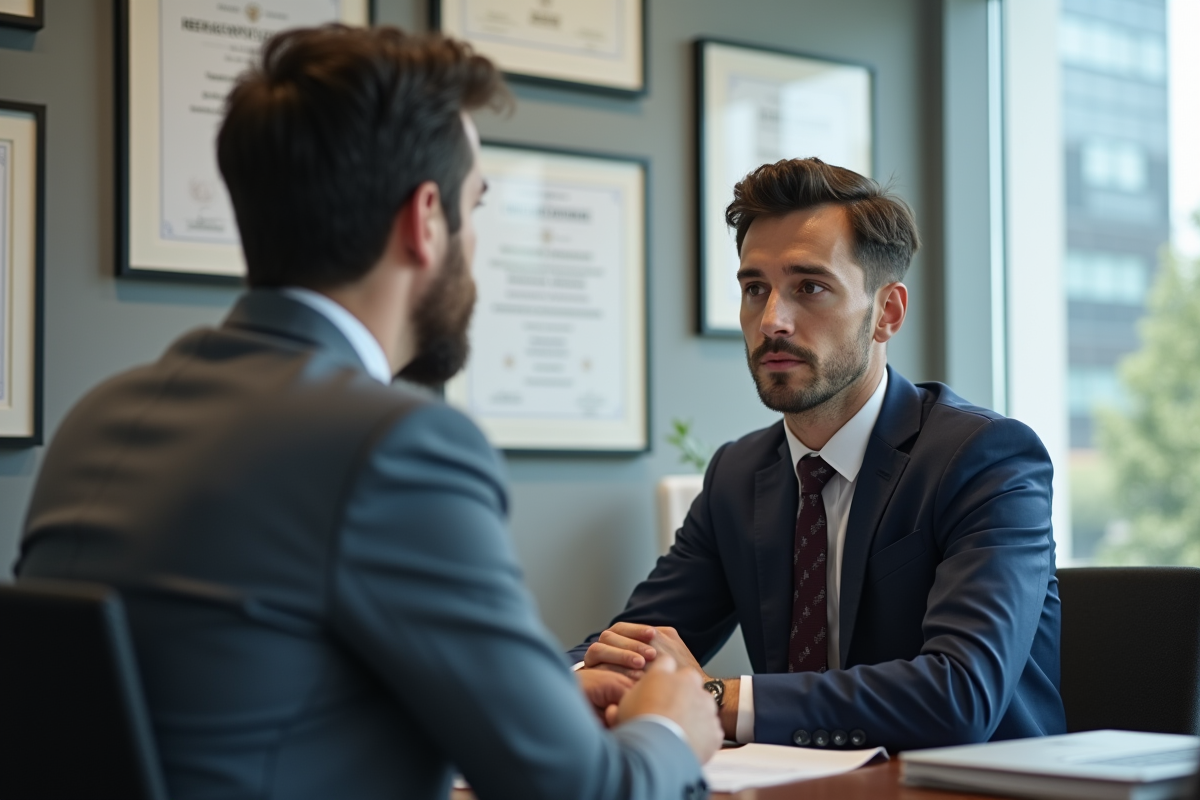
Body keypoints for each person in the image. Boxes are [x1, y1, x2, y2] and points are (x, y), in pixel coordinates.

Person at [14, 25, 720, 800]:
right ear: (426, 220)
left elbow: (252, 703)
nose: (477, 247)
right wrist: (670, 730)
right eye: (475, 207)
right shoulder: (395, 446)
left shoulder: (98, 417)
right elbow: (584, 793)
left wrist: (541, 700)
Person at [571, 158, 1065, 753]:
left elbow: (959, 697)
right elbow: (634, 643)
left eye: (809, 287)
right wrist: (580, 682)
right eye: (755, 289)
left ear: (887, 313)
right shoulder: (738, 475)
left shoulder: (986, 459)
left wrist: (711, 698)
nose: (771, 321)